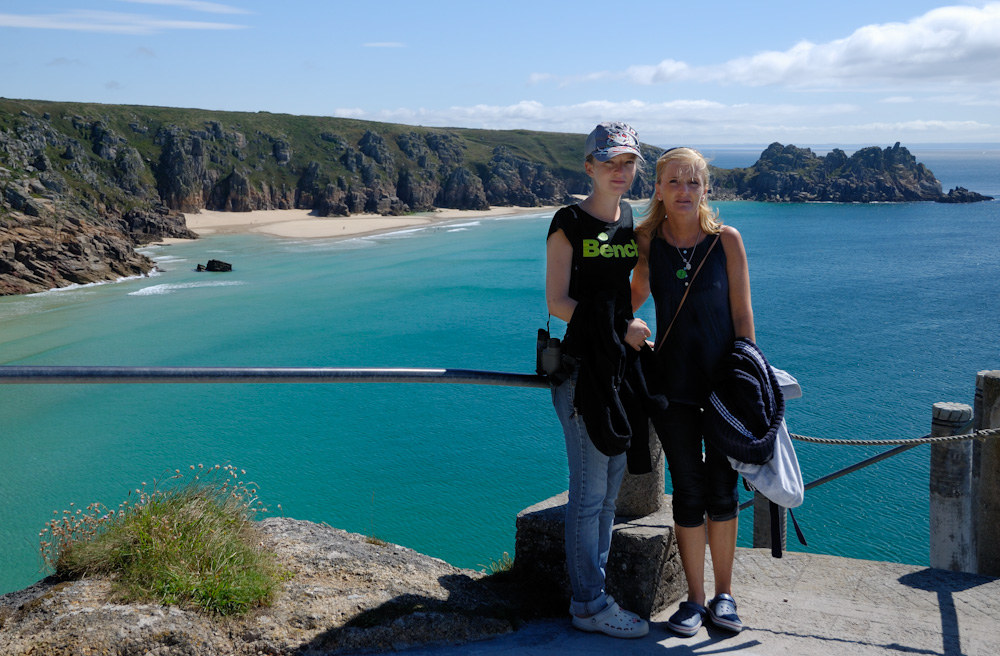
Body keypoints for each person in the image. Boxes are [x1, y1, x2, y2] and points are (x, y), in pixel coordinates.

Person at [631, 147, 754, 637]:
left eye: (693, 183)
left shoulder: (727, 241)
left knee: (722, 491)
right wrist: (626, 325)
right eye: (674, 182)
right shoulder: (645, 241)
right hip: (673, 387)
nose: (684, 191)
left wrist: (749, 378)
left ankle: (725, 596)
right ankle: (695, 599)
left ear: (706, 189)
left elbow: (743, 317)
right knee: (687, 490)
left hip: (725, 386)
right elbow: (628, 297)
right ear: (658, 188)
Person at [545, 122, 651, 639]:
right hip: (582, 372)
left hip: (617, 371)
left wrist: (631, 326)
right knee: (588, 495)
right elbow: (558, 302)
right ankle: (587, 603)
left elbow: (629, 292)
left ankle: (595, 592)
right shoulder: (567, 222)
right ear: (589, 166)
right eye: (609, 162)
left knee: (609, 493)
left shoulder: (630, 219)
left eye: (628, 162)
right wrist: (618, 328)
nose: (620, 170)